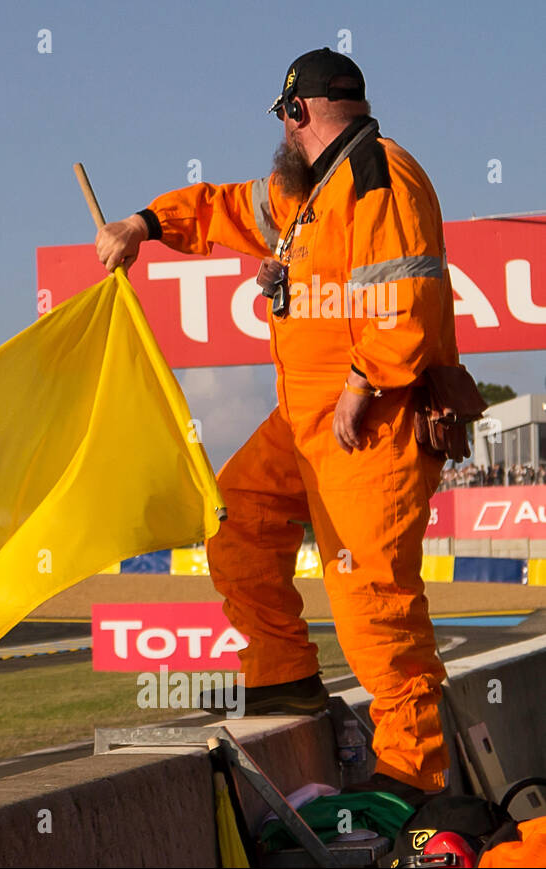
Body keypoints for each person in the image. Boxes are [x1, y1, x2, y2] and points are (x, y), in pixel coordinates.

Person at [95, 49, 458, 805]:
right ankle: (286, 677)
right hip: (306, 418)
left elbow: (409, 302)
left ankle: (414, 785)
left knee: (374, 609)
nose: (283, 137)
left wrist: (363, 382)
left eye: (284, 120)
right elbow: (224, 206)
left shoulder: (376, 177)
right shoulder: (308, 192)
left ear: (298, 113)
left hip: (372, 423)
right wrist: (144, 222)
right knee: (238, 522)